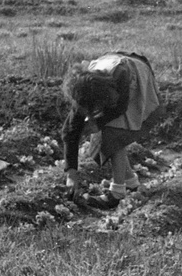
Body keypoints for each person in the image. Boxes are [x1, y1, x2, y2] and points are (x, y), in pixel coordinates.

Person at [61, 51, 165, 209]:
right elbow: (70, 131)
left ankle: (117, 192)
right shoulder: (83, 92)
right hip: (114, 70)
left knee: (112, 132)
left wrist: (97, 123)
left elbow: (120, 108)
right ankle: (130, 181)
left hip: (135, 73)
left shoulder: (119, 78)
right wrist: (71, 173)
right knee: (106, 131)